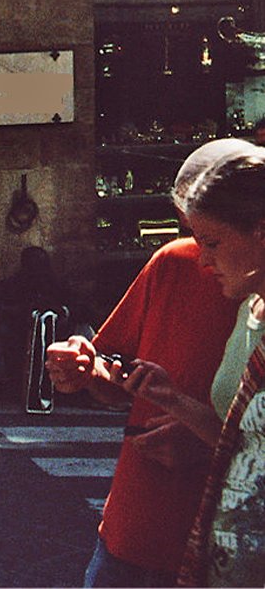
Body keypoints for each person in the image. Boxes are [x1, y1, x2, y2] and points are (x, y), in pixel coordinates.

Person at [48, 140, 265, 586]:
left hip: (220, 541)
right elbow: (115, 368)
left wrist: (210, 447)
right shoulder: (180, 266)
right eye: (192, 232)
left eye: (209, 238)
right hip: (138, 524)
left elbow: (244, 442)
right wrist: (89, 368)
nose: (201, 254)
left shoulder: (249, 296)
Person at [0, 245, 73, 410]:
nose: (37, 273)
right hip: (15, 344)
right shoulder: (8, 287)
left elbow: (85, 311)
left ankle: (94, 383)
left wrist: (59, 311)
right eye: (32, 267)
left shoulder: (57, 286)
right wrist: (20, 311)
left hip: (54, 346)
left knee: (83, 328)